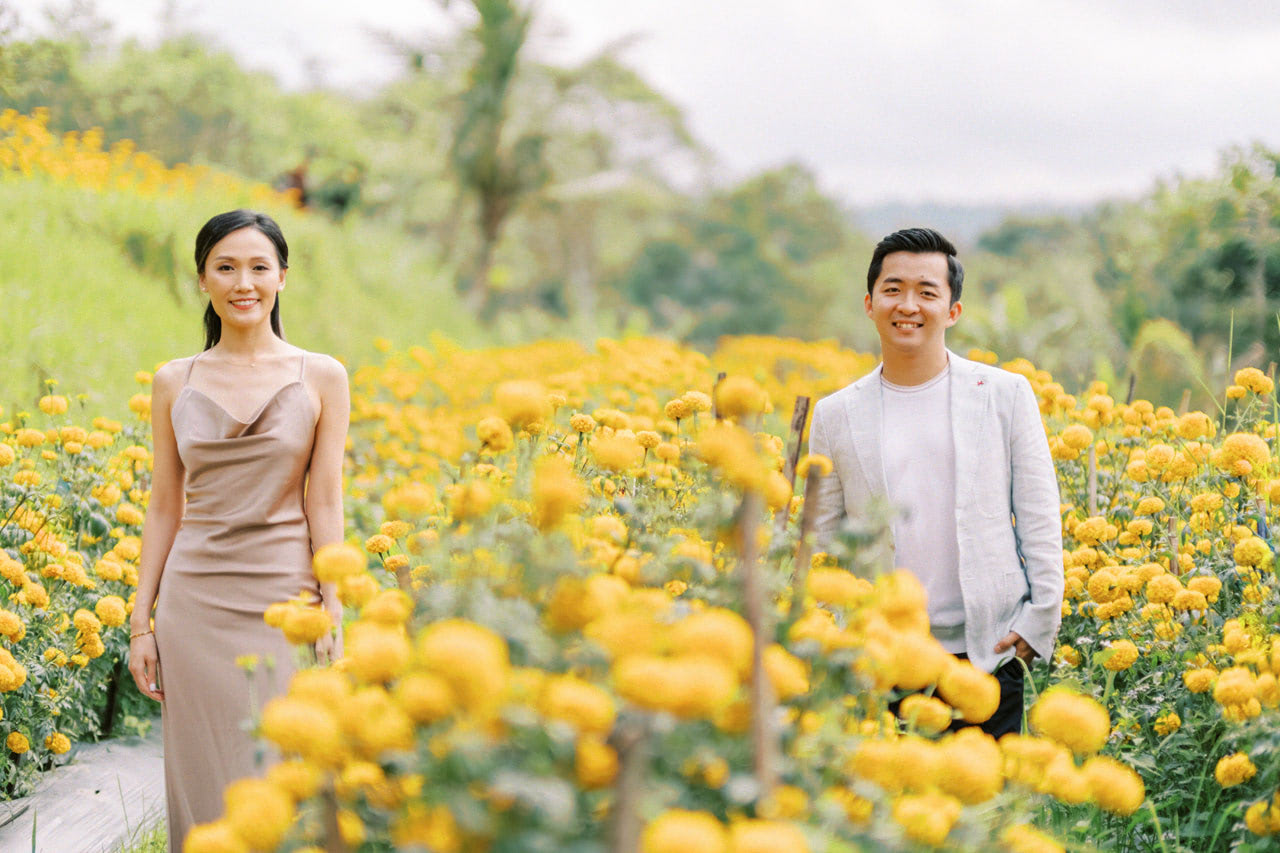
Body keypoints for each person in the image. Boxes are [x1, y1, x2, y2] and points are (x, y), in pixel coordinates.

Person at [127, 209, 351, 851]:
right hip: (193, 603)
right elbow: (164, 505)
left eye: (258, 267)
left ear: (283, 276)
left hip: (285, 600)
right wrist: (142, 622)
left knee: (280, 771)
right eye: (225, 267)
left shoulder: (322, 375)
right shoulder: (176, 380)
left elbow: (326, 501)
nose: (242, 282)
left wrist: (332, 606)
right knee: (204, 780)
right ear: (203, 280)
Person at [807, 227, 1063, 738]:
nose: (908, 305)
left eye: (927, 292)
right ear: (870, 302)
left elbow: (1038, 514)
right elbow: (821, 538)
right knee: (889, 814)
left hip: (989, 654)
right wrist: (835, 637)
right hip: (881, 661)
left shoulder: (1005, 395)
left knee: (987, 811)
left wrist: (1039, 620)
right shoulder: (835, 414)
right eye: (893, 289)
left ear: (952, 311)